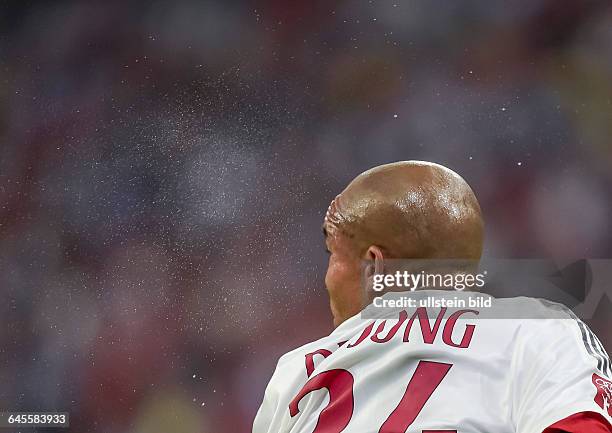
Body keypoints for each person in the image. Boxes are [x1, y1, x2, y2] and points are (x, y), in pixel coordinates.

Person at [253, 161, 612, 433]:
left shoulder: (301, 373)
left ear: (374, 267)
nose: (327, 276)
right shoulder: (536, 329)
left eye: (333, 254)